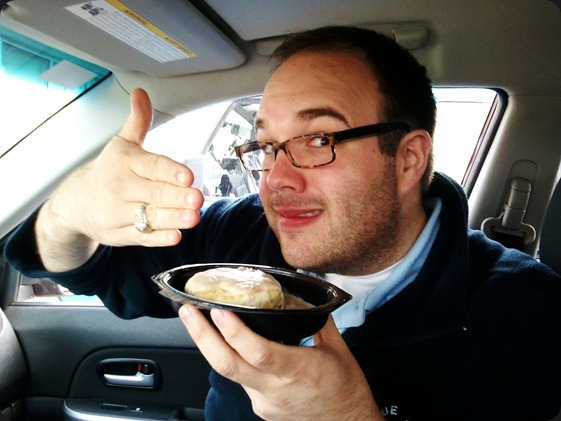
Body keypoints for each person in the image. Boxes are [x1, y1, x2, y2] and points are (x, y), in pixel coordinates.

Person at [4, 26, 561, 421]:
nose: (276, 180)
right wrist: (69, 214)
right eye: (267, 145)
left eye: (318, 139)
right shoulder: (239, 236)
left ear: (408, 159)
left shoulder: (528, 318)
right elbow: (91, 269)